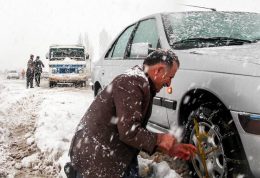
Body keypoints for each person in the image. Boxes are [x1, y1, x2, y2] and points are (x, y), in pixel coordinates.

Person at [67, 49, 197, 178]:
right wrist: (160, 139)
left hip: (111, 154)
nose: (169, 83)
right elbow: (129, 131)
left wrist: (169, 147)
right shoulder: (132, 83)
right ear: (158, 70)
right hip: (97, 158)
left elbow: (133, 131)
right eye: (170, 77)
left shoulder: (141, 82)